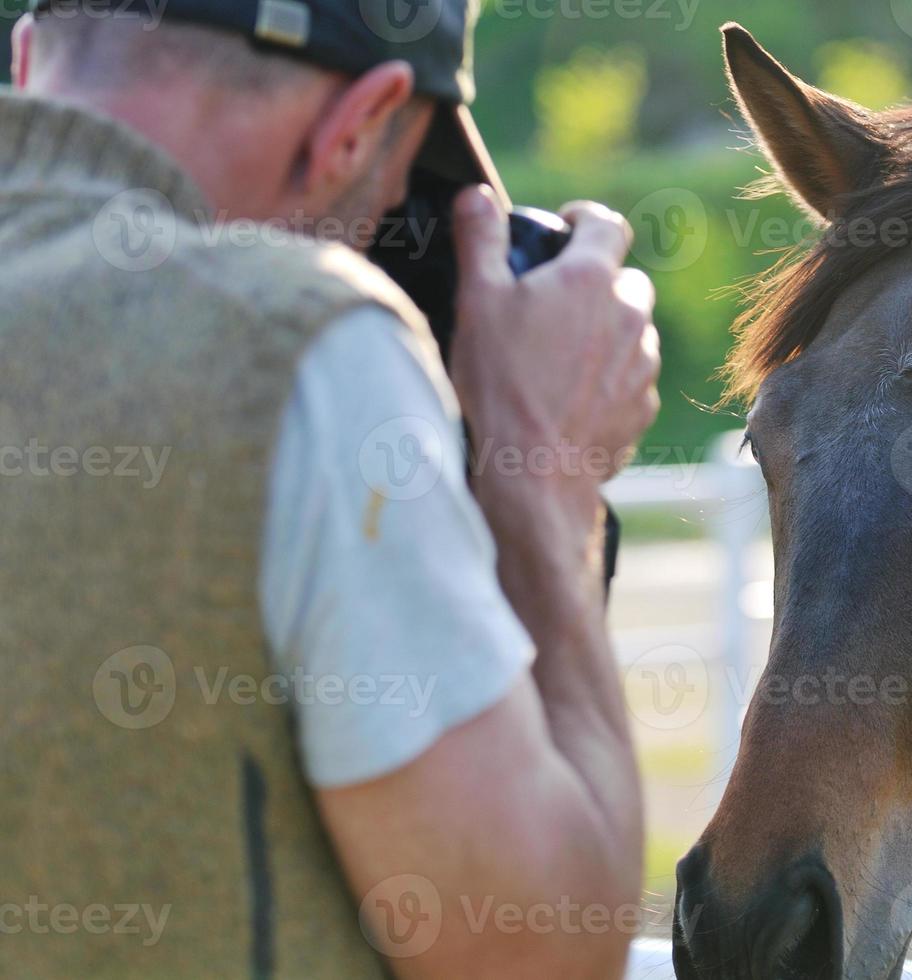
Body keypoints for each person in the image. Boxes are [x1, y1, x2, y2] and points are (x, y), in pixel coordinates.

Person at [1, 2, 656, 977]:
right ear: (357, 124)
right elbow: (533, 948)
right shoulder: (301, 345)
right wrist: (541, 475)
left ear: (27, 55)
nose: (382, 237)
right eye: (396, 192)